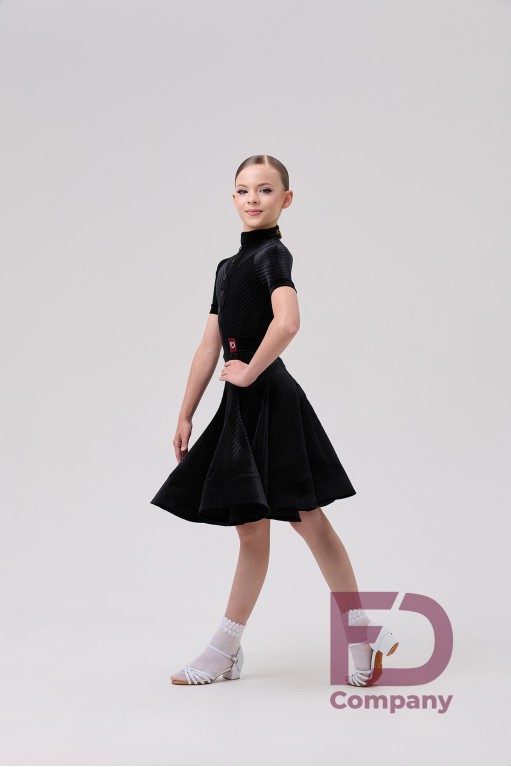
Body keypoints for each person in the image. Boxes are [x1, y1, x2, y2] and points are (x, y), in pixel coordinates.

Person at [150, 154, 398, 686]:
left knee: (309, 519)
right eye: (243, 190)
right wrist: (185, 413)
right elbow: (209, 346)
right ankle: (226, 650)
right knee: (250, 530)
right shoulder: (226, 268)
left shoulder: (272, 256)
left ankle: (361, 636)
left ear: (286, 199)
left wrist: (249, 370)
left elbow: (288, 322)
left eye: (265, 190)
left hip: (273, 404)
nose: (252, 199)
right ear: (232, 197)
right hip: (241, 408)